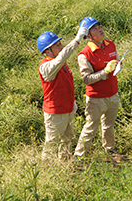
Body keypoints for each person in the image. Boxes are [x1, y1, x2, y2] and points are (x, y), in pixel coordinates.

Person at [37, 26, 88, 161]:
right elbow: (61, 57)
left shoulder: (60, 64)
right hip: (55, 113)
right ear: (47, 51)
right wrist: (76, 40)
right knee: (52, 143)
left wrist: (73, 104)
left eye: (60, 44)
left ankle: (64, 164)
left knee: (67, 138)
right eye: (57, 45)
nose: (61, 47)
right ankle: (46, 171)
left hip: (66, 109)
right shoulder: (47, 67)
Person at [74, 16, 122, 157]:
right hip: (96, 99)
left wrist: (118, 65)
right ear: (88, 35)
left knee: (109, 125)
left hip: (113, 94)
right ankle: (79, 156)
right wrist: (105, 72)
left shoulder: (110, 44)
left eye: (99, 26)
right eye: (95, 28)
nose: (100, 29)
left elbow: (116, 60)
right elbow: (87, 79)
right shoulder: (84, 55)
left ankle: (110, 149)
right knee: (90, 128)